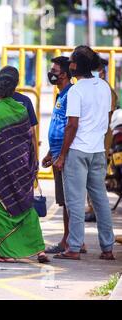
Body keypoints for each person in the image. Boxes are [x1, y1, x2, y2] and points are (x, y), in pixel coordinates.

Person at [0, 73, 49, 263]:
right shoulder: (21, 109)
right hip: (20, 167)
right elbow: (30, 138)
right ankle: (37, 248)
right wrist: (32, 163)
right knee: (24, 206)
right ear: (13, 89)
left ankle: (2, 252)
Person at [53, 46, 115, 261]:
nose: (69, 64)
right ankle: (107, 248)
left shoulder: (77, 91)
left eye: (71, 61)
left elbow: (72, 126)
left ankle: (74, 247)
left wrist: (62, 155)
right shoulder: (104, 87)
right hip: (97, 151)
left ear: (76, 66)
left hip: (78, 151)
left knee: (75, 202)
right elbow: (106, 118)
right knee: (100, 201)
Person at [42, 56, 88, 254]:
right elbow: (58, 127)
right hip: (57, 153)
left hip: (66, 155)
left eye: (55, 70)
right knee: (64, 200)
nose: (51, 74)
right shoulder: (60, 94)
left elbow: (71, 126)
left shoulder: (71, 94)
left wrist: (61, 155)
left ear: (65, 74)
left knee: (70, 200)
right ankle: (71, 239)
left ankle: (70, 241)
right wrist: (49, 153)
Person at [85, 58, 119, 222]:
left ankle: (96, 211)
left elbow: (106, 118)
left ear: (101, 71)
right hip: (91, 141)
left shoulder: (106, 90)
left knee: (95, 179)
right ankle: (92, 208)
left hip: (100, 142)